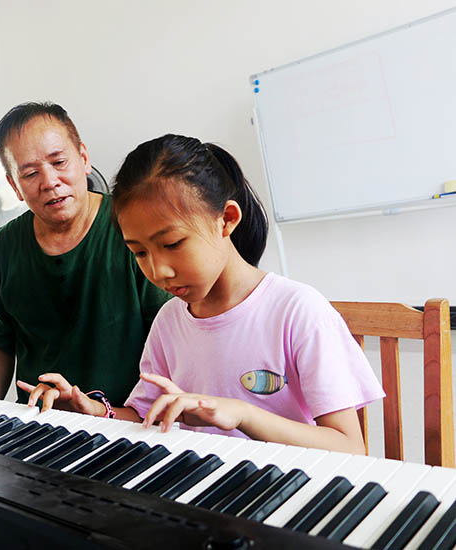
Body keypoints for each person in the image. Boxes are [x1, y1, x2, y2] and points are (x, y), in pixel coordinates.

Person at [20, 134, 383, 454]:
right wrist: (94, 411)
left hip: (287, 496)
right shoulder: (170, 321)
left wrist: (242, 414)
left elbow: (349, 447)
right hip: (207, 494)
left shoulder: (297, 311)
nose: (158, 271)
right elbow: (144, 414)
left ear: (226, 219)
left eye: (173, 243)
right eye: (140, 252)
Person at [0, 102, 171, 406]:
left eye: (59, 162)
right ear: (14, 185)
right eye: (29, 173)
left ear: (83, 158)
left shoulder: (130, 228)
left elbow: (171, 334)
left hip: (126, 419)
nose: (49, 182)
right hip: (41, 420)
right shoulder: (4, 248)